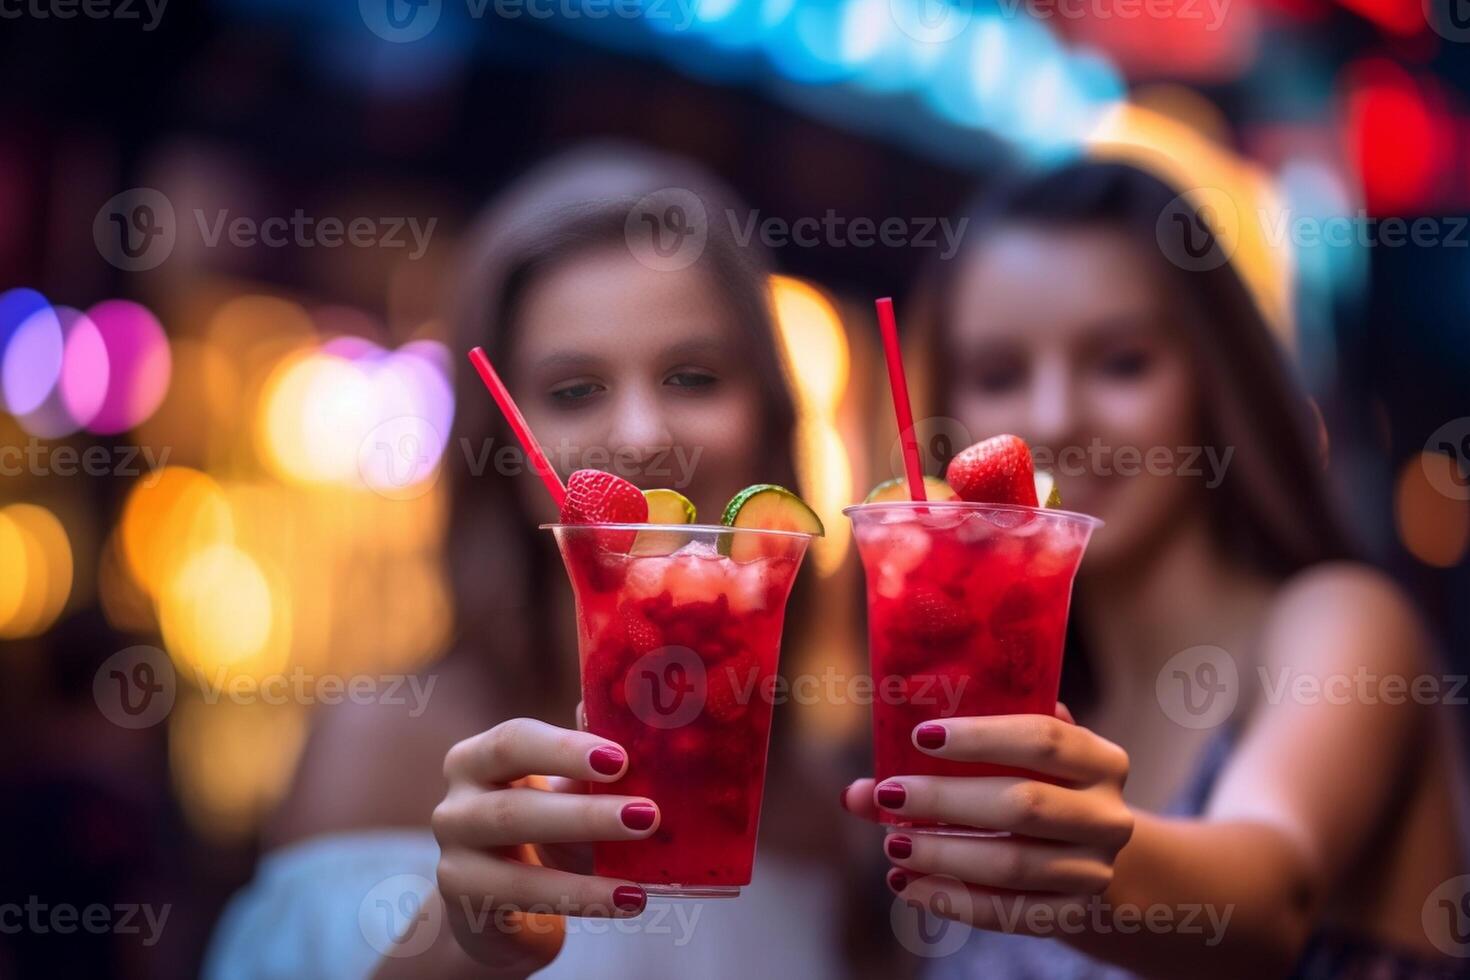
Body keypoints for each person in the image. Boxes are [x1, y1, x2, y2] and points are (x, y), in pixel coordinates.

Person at [203, 145, 862, 979]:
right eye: (574, 390)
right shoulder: (379, 751)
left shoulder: (818, 806)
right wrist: (458, 945)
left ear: (767, 416)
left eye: (693, 378)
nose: (640, 438)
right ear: (501, 449)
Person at [840, 160, 1469, 978]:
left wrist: (1082, 864)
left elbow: (1271, 889)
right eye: (999, 375)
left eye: (1122, 362)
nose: (1055, 418)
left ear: (1212, 380)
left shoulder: (1339, 623)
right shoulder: (1016, 703)